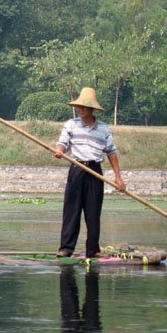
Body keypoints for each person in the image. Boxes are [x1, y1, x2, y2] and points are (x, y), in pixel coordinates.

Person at [54, 87, 125, 258]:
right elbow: (62, 143)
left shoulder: (103, 129)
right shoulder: (71, 124)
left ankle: (92, 250)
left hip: (94, 171)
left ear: (92, 108)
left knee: (93, 213)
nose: (80, 109)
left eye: (83, 107)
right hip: (77, 168)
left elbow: (111, 152)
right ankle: (66, 248)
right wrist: (60, 151)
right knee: (72, 210)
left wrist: (118, 177)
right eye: (78, 106)